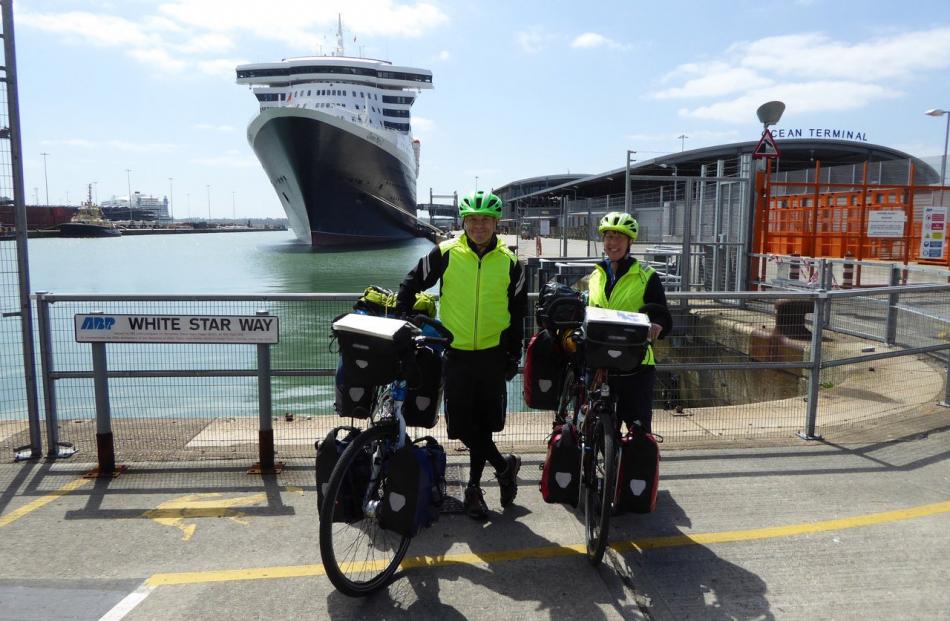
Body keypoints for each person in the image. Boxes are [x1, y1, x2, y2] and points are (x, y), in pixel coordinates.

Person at [396, 190, 528, 520]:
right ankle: (504, 466)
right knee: (462, 428)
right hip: (454, 353)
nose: (479, 226)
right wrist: (405, 318)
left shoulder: (511, 263)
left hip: (493, 355)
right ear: (464, 222)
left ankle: (473, 490)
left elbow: (518, 313)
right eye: (473, 220)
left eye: (485, 220)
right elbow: (410, 284)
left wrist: (515, 353)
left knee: (483, 426)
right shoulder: (445, 253)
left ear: (496, 223)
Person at [587, 211, 672, 433]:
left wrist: (658, 326)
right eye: (608, 237)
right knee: (597, 429)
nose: (612, 243)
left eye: (619, 237)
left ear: (630, 242)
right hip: (600, 362)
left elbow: (662, 314)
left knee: (639, 432)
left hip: (637, 362)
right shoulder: (596, 275)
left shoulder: (646, 275)